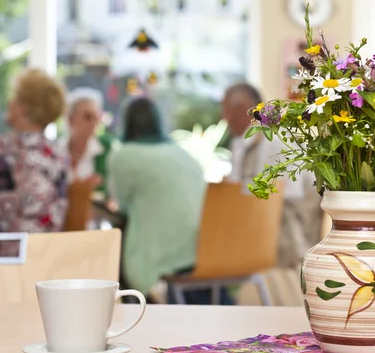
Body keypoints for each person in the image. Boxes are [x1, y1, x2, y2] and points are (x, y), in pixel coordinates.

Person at [110, 97, 206, 299]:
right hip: (201, 246)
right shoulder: (181, 153)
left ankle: (131, 314)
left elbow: (121, 204)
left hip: (166, 251)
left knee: (114, 245)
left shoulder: (124, 155)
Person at [222, 82, 322, 268]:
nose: (223, 117)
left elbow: (285, 200)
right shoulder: (241, 143)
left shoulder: (277, 139)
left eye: (225, 110)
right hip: (259, 232)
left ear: (241, 109)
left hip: (289, 245)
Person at [0, 69, 68, 251]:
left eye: (15, 99)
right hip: (42, 257)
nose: (9, 103)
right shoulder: (59, 154)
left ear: (24, 108)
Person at [66, 88, 112, 200]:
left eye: (95, 117)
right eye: (87, 117)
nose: (93, 123)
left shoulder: (105, 150)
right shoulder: (56, 151)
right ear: (70, 120)